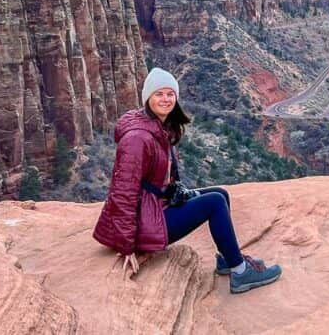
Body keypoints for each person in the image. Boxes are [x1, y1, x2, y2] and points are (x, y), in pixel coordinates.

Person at [93, 67, 282, 293]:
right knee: (214, 203)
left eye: (170, 94)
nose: (165, 99)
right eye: (159, 94)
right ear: (147, 98)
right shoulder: (137, 138)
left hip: (155, 207)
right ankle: (240, 272)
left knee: (220, 193)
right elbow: (123, 193)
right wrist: (127, 246)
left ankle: (228, 257)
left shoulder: (157, 127)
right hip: (146, 221)